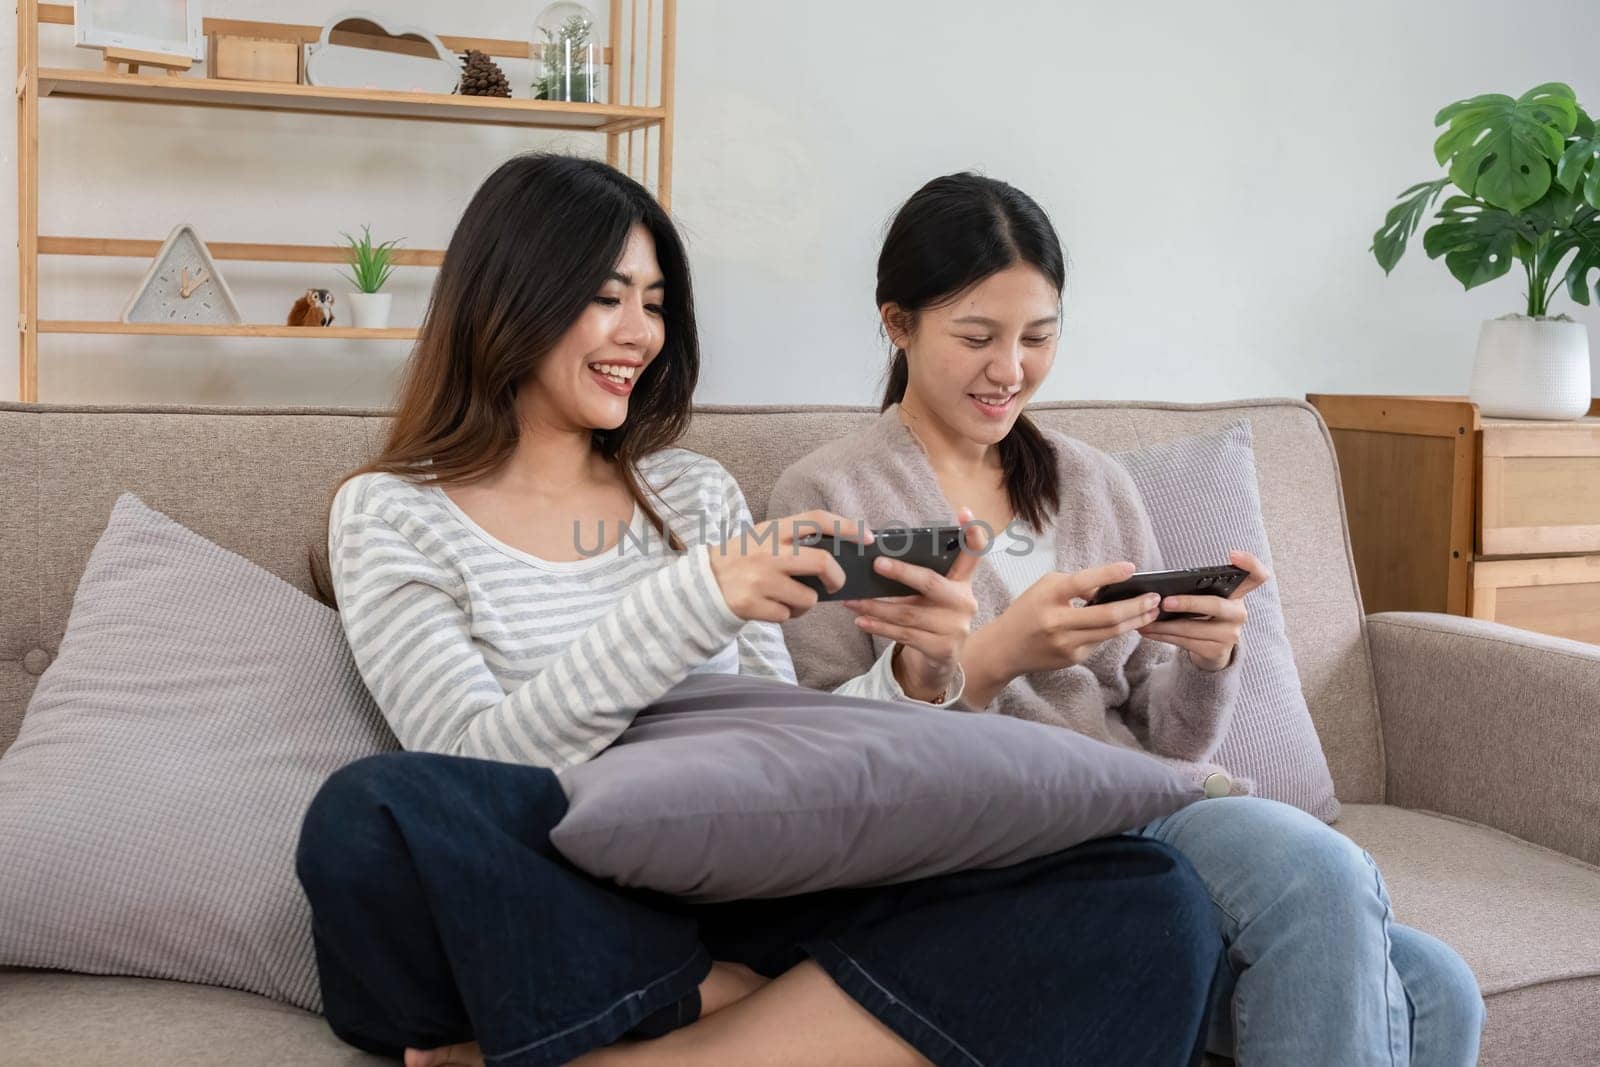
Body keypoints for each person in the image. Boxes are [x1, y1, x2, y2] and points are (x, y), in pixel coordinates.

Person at [297, 152, 1223, 1067]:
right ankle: (732, 996)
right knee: (368, 817)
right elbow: (475, 762)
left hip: (743, 884)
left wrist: (918, 677)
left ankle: (654, 1044)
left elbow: (791, 760)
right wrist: (691, 600)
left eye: (655, 304)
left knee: (1149, 896)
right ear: (509, 299)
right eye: (607, 297)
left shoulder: (693, 494)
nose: (640, 334)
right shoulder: (392, 511)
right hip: (554, 884)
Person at [767, 171, 1487, 1067]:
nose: (1011, 370)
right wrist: (992, 657)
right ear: (897, 323)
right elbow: (832, 766)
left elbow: (1170, 737)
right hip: (999, 834)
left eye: (1038, 336)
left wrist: (1209, 660)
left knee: (1437, 988)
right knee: (1320, 871)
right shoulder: (830, 495)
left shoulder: (1092, 481)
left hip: (1133, 807)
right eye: (977, 337)